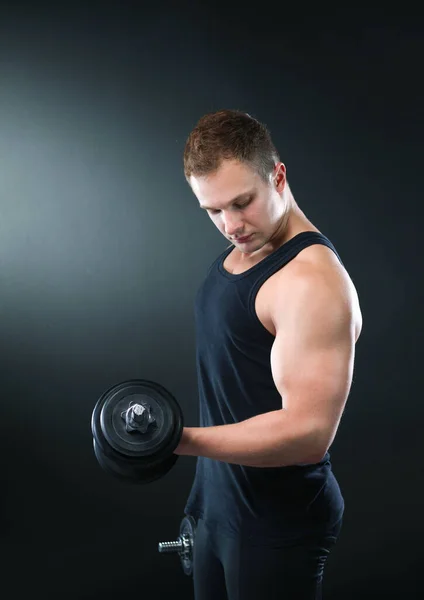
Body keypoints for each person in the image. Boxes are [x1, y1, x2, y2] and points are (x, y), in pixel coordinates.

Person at [174, 109, 362, 600]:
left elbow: (307, 435)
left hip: (275, 522)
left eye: (242, 202)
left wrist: (179, 439)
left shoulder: (311, 281)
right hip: (218, 505)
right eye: (213, 211)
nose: (231, 225)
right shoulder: (246, 249)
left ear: (277, 176)